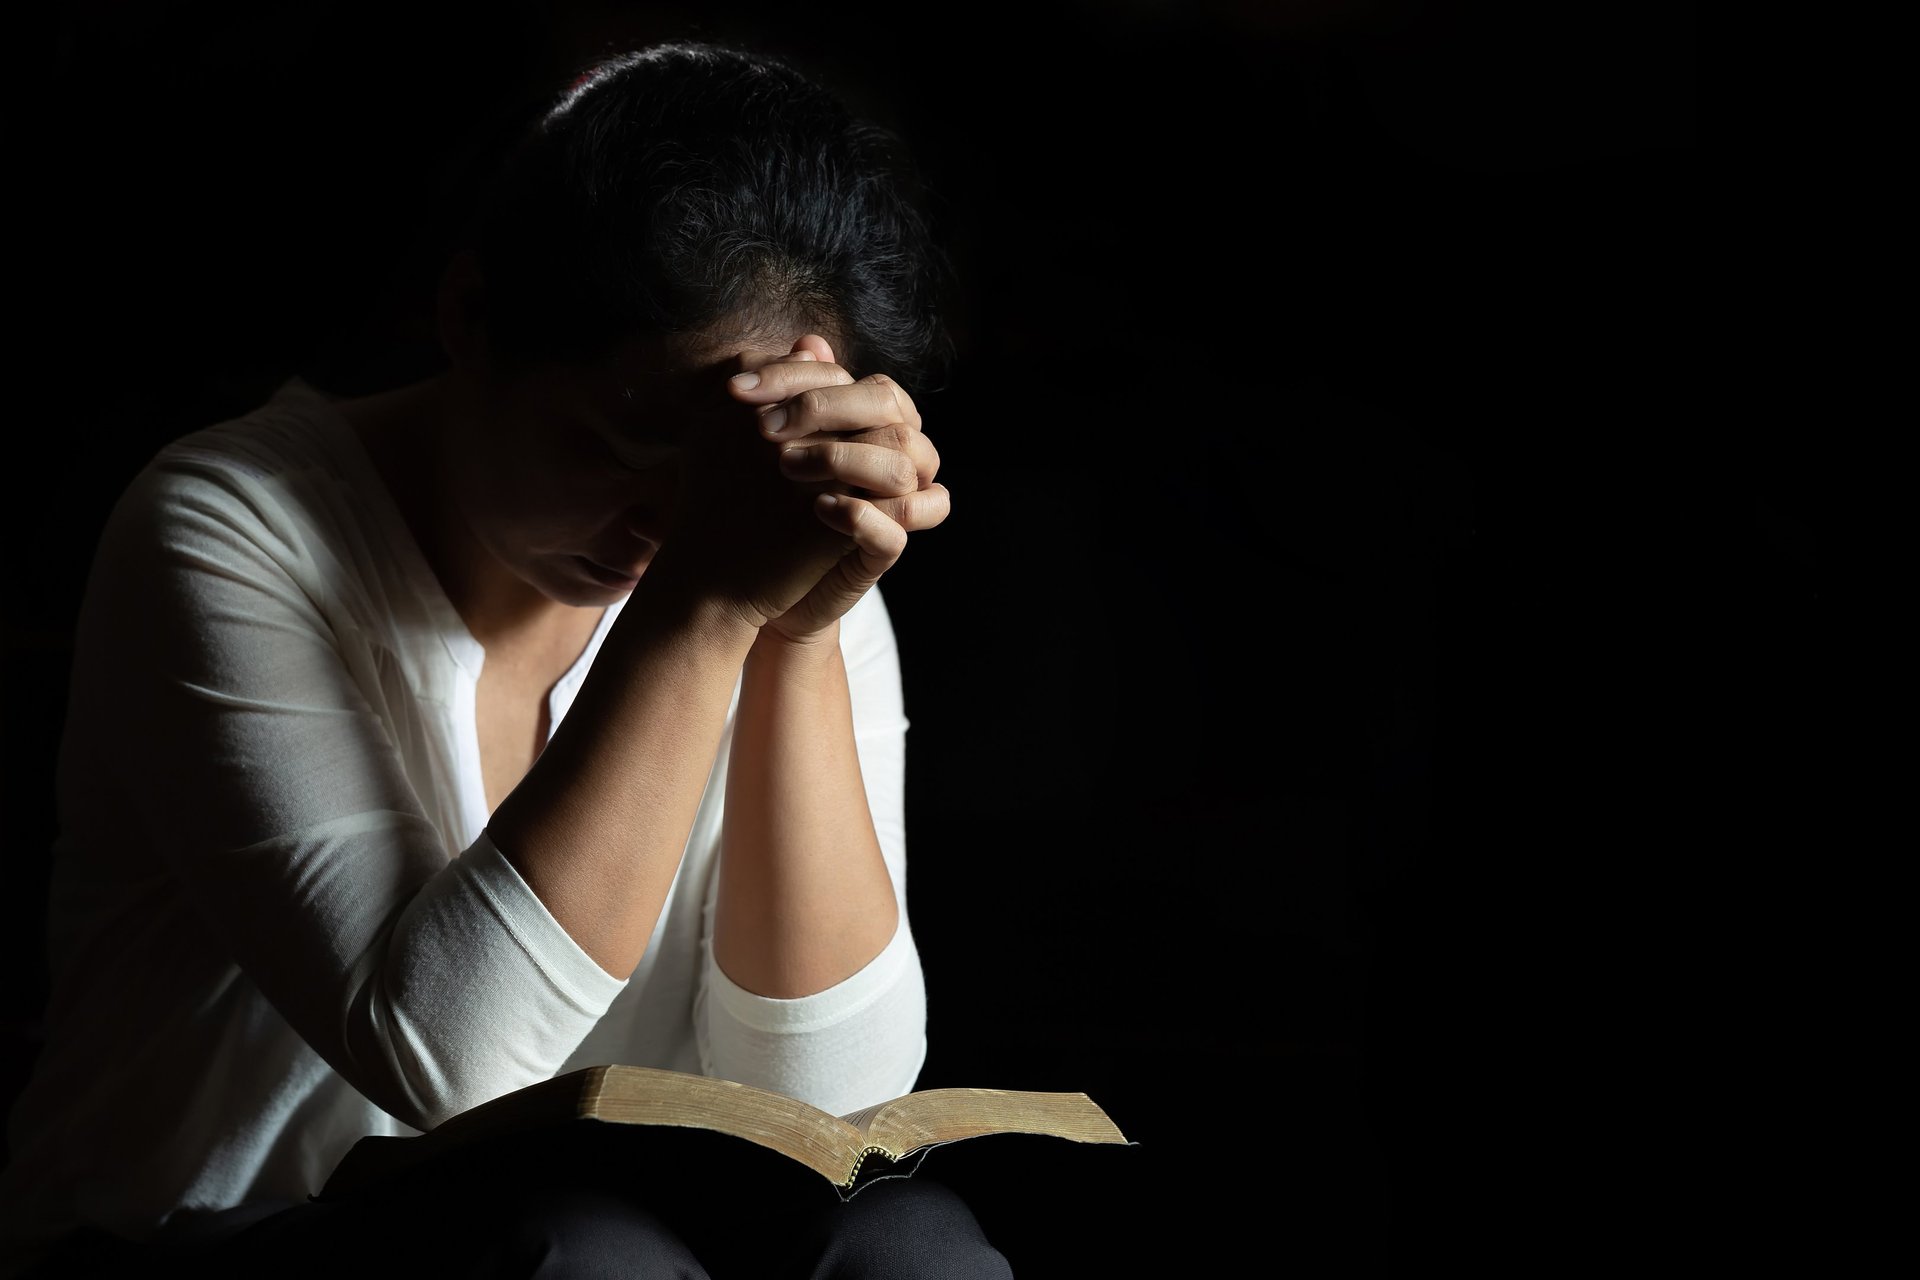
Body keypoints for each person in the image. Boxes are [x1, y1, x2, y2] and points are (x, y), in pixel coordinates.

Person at [0, 38, 1006, 1278]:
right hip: (190, 1241)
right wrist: (704, 609)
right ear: (472, 317)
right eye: (615, 442)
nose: (666, 527)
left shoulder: (762, 539)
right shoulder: (227, 524)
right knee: (581, 1255)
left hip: (601, 1227)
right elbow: (450, 1066)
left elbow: (824, 1114)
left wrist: (795, 631)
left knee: (911, 1242)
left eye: (725, 480)